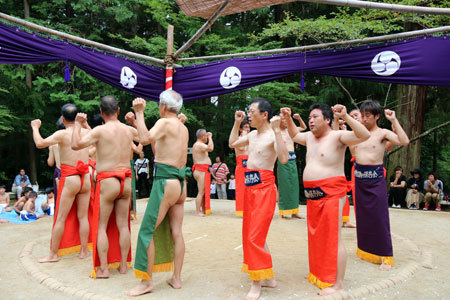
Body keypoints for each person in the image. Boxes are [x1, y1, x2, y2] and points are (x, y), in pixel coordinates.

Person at [282, 103, 370, 296]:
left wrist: (346, 116)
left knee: (334, 237)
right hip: (312, 194)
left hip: (331, 192)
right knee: (316, 235)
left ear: (328, 119)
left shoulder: (338, 136)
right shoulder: (309, 138)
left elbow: (364, 135)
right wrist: (288, 118)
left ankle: (338, 283)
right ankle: (318, 272)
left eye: (315, 117)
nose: (311, 120)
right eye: (310, 117)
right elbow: (294, 135)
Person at [125, 90, 189, 296]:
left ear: (163, 106)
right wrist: (136, 123)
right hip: (180, 184)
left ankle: (146, 282)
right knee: (177, 232)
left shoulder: (164, 123)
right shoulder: (182, 127)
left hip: (165, 182)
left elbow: (144, 139)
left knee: (146, 231)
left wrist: (140, 112)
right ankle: (176, 278)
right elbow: (156, 144)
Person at [71, 95, 138, 278]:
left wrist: (78, 123)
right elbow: (145, 139)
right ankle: (123, 265)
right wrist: (135, 119)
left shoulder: (99, 131)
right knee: (123, 225)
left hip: (107, 180)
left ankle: (104, 269)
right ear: (118, 111)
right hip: (126, 180)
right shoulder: (128, 130)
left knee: (101, 226)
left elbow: (76, 144)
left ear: (101, 112)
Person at [229, 98, 289, 300]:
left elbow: (284, 159)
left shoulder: (273, 136)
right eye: (248, 111)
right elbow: (232, 144)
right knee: (253, 234)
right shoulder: (252, 135)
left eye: (252, 111)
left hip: (264, 188)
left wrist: (279, 131)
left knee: (255, 236)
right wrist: (237, 123)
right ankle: (268, 277)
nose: (249, 114)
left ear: (264, 115)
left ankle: (257, 284)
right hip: (250, 187)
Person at [351, 100, 409, 271]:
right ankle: (366, 251)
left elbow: (404, 141)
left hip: (375, 180)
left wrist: (393, 120)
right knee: (362, 217)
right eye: (362, 116)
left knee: (380, 218)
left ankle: (386, 256)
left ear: (376, 116)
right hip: (360, 178)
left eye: (367, 116)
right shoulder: (357, 134)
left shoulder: (383, 133)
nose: (364, 119)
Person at [32, 103, 92, 263]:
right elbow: (96, 139)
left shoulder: (62, 134)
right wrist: (84, 123)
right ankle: (84, 251)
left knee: (60, 218)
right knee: (83, 216)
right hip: (85, 177)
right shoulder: (86, 132)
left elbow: (40, 143)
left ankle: (53, 254)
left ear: (63, 119)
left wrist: (35, 127)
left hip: (71, 176)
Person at [277, 112, 306, 219]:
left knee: (294, 185)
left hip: (292, 159)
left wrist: (298, 118)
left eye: (285, 119)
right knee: (283, 185)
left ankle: (294, 212)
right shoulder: (276, 131)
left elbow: (303, 127)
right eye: (282, 119)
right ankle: (282, 212)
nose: (284, 121)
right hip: (282, 159)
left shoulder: (291, 130)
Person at [192, 129, 214, 216]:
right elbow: (211, 148)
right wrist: (211, 138)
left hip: (202, 170)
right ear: (202, 137)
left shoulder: (198, 145)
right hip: (201, 170)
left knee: (203, 191)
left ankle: (204, 209)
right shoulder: (199, 144)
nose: (207, 137)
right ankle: (198, 211)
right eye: (206, 136)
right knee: (201, 191)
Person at [233, 120, 250, 216]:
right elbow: (242, 148)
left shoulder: (250, 139)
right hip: (241, 165)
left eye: (248, 127)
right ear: (240, 129)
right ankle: (241, 210)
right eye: (245, 127)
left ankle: (250, 209)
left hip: (250, 164)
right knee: (241, 188)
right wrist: (244, 136)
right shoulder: (238, 139)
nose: (248, 129)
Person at [48, 117, 65, 204]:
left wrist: (50, 149)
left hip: (60, 171)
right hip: (75, 172)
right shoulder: (76, 138)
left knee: (60, 200)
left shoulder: (54, 142)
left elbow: (50, 162)